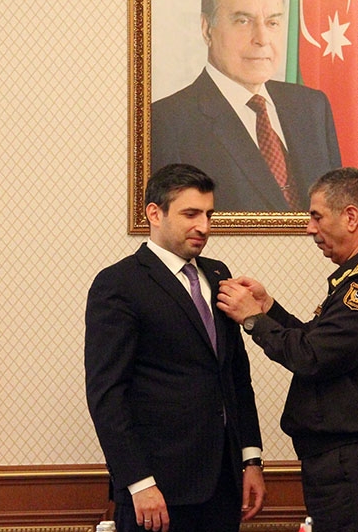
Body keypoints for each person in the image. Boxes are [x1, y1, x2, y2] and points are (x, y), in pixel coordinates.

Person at [217, 167, 358, 532]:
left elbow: (312, 357)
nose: (309, 228)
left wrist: (252, 320)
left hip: (354, 463)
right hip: (346, 460)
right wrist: (268, 308)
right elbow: (319, 341)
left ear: (351, 217)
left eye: (317, 216)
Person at [85, 163, 266, 532]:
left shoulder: (218, 274)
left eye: (209, 214)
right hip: (157, 490)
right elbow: (107, 395)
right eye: (190, 214)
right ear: (155, 213)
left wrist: (251, 458)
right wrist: (139, 482)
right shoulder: (119, 283)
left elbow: (236, 376)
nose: (204, 226)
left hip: (224, 485)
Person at [151, 0, 341, 212]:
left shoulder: (312, 106)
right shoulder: (166, 123)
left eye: (272, 22)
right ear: (207, 29)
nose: (262, 39)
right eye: (243, 21)